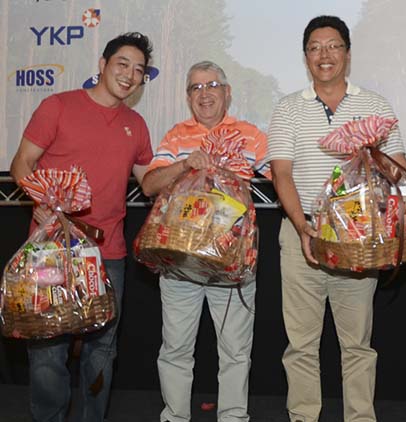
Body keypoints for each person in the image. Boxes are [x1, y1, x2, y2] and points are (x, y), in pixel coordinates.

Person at [267, 15, 406, 422]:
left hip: (361, 237)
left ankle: (360, 418)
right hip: (300, 233)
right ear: (306, 57)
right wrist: (301, 225)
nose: (325, 55)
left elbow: (398, 167)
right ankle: (303, 416)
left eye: (333, 46)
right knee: (301, 343)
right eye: (316, 47)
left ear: (348, 54)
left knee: (356, 343)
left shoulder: (374, 106)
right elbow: (280, 173)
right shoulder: (288, 108)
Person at [10, 32, 154, 422]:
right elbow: (22, 163)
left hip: (108, 256)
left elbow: (151, 182)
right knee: (46, 349)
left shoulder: (136, 125)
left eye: (139, 70)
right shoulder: (57, 106)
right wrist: (40, 199)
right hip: (51, 250)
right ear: (103, 65)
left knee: (102, 351)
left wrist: (188, 166)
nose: (129, 74)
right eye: (122, 64)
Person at [140, 60, 269, 422]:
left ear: (227, 92)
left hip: (231, 262)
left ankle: (232, 418)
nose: (204, 93)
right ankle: (175, 417)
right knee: (176, 348)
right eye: (196, 88)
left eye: (211, 85)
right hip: (179, 263)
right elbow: (149, 185)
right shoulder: (176, 135)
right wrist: (185, 166)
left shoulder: (249, 136)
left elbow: (283, 173)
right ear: (187, 97)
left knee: (235, 350)